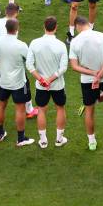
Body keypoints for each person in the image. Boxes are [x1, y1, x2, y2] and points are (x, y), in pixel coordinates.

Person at [69, 16, 103, 150]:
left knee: (89, 111)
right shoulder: (101, 36)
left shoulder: (74, 41)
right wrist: (100, 74)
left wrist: (92, 74)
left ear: (77, 26)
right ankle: (97, 99)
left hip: (87, 81)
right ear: (88, 24)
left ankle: (91, 141)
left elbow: (74, 66)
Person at [0, 3, 38, 125]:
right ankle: (29, 109)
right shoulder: (14, 25)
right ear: (16, 13)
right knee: (24, 83)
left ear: (6, 11)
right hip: (10, 64)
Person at [27, 16, 69, 149]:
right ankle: (59, 139)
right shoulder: (61, 45)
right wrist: (50, 80)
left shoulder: (34, 43)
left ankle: (43, 141)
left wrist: (42, 80)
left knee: (41, 111)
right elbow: (63, 68)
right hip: (57, 85)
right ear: (56, 27)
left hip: (41, 86)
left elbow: (29, 65)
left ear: (44, 26)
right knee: (60, 109)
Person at [0, 19, 34, 146]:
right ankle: (21, 139)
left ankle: (0, 133)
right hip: (18, 83)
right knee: (20, 109)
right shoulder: (21, 45)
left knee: (1, 106)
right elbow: (30, 61)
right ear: (17, 29)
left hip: (3, 81)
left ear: (6, 28)